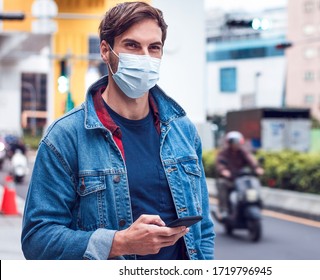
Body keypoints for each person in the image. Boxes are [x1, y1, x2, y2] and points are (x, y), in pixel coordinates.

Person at [21, 1, 215, 260]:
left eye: (154, 48)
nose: (144, 57)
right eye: (132, 45)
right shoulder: (66, 137)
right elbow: (37, 239)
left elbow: (203, 231)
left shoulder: (184, 131)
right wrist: (119, 242)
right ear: (105, 50)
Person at [215, 131, 264, 216]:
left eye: (237, 142)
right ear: (229, 143)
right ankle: (224, 209)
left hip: (241, 180)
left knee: (253, 183)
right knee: (221, 183)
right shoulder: (223, 153)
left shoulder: (243, 152)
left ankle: (257, 203)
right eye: (233, 142)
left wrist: (257, 168)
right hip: (230, 180)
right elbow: (220, 164)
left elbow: (251, 160)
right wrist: (223, 171)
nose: (235, 144)